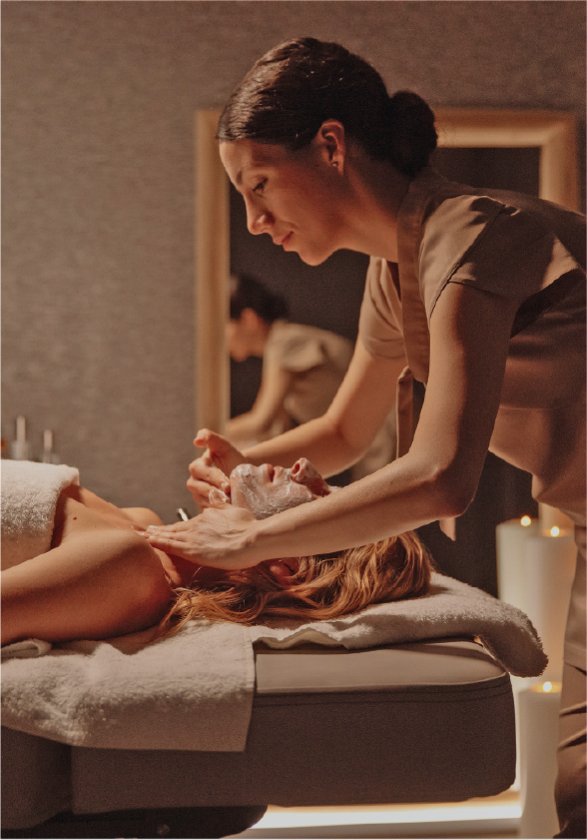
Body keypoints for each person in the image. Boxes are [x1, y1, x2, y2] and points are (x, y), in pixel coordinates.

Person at [144, 38, 586, 837]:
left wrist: (252, 537)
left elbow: (442, 475)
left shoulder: (472, 235)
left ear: (331, 144)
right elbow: (346, 431)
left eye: (258, 185)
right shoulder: (396, 273)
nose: (254, 221)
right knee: (576, 791)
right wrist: (248, 470)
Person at [0, 459, 431, 646]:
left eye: (321, 498)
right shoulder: (139, 522)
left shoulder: (129, 568)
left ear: (287, 565)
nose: (306, 468)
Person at [226, 273, 395, 477]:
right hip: (369, 440)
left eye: (222, 327)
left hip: (384, 434)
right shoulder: (277, 348)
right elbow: (275, 430)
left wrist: (202, 431)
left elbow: (260, 421)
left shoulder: (284, 342)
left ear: (249, 319)